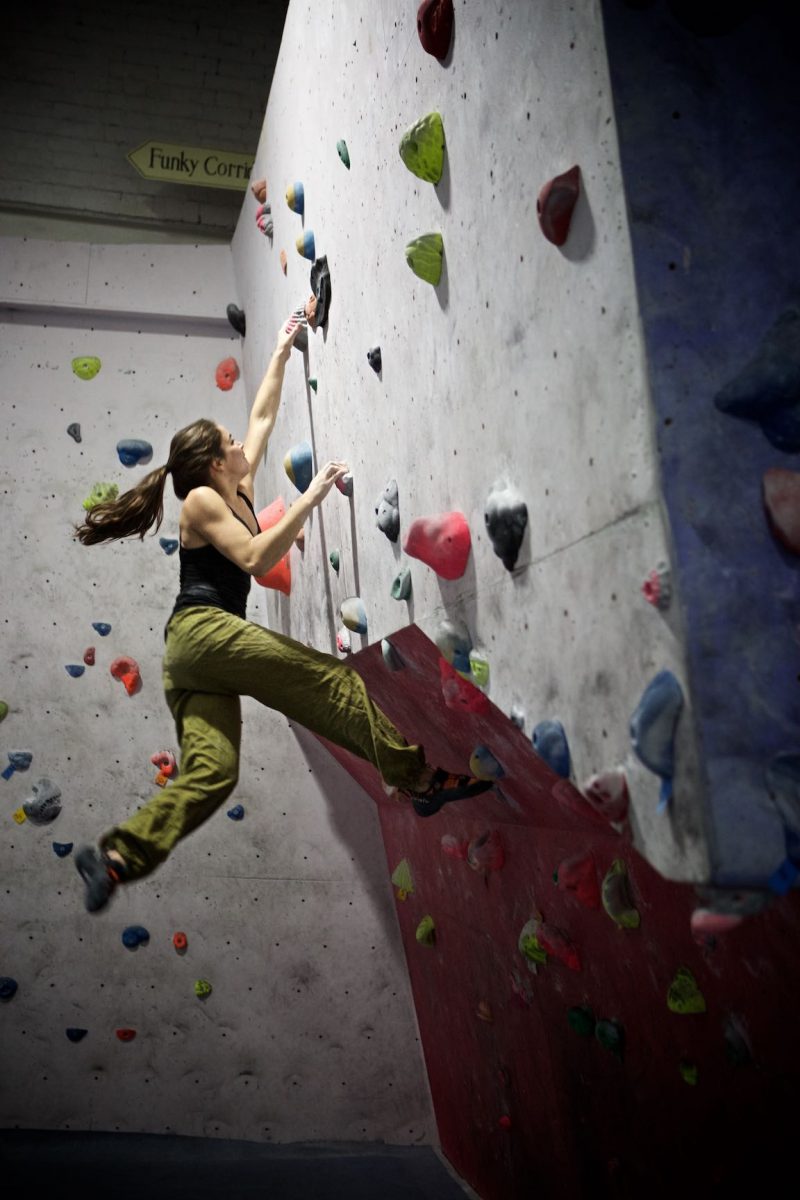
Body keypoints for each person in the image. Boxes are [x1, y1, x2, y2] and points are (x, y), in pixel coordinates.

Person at [73, 313, 491, 912]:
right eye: (230, 443)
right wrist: (310, 496)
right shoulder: (198, 500)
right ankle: (418, 779)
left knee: (214, 773)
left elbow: (263, 415)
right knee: (332, 681)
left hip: (194, 664)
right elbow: (250, 555)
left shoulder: (233, 486)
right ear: (217, 464)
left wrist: (281, 347)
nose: (242, 444)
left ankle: (115, 860)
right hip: (203, 633)